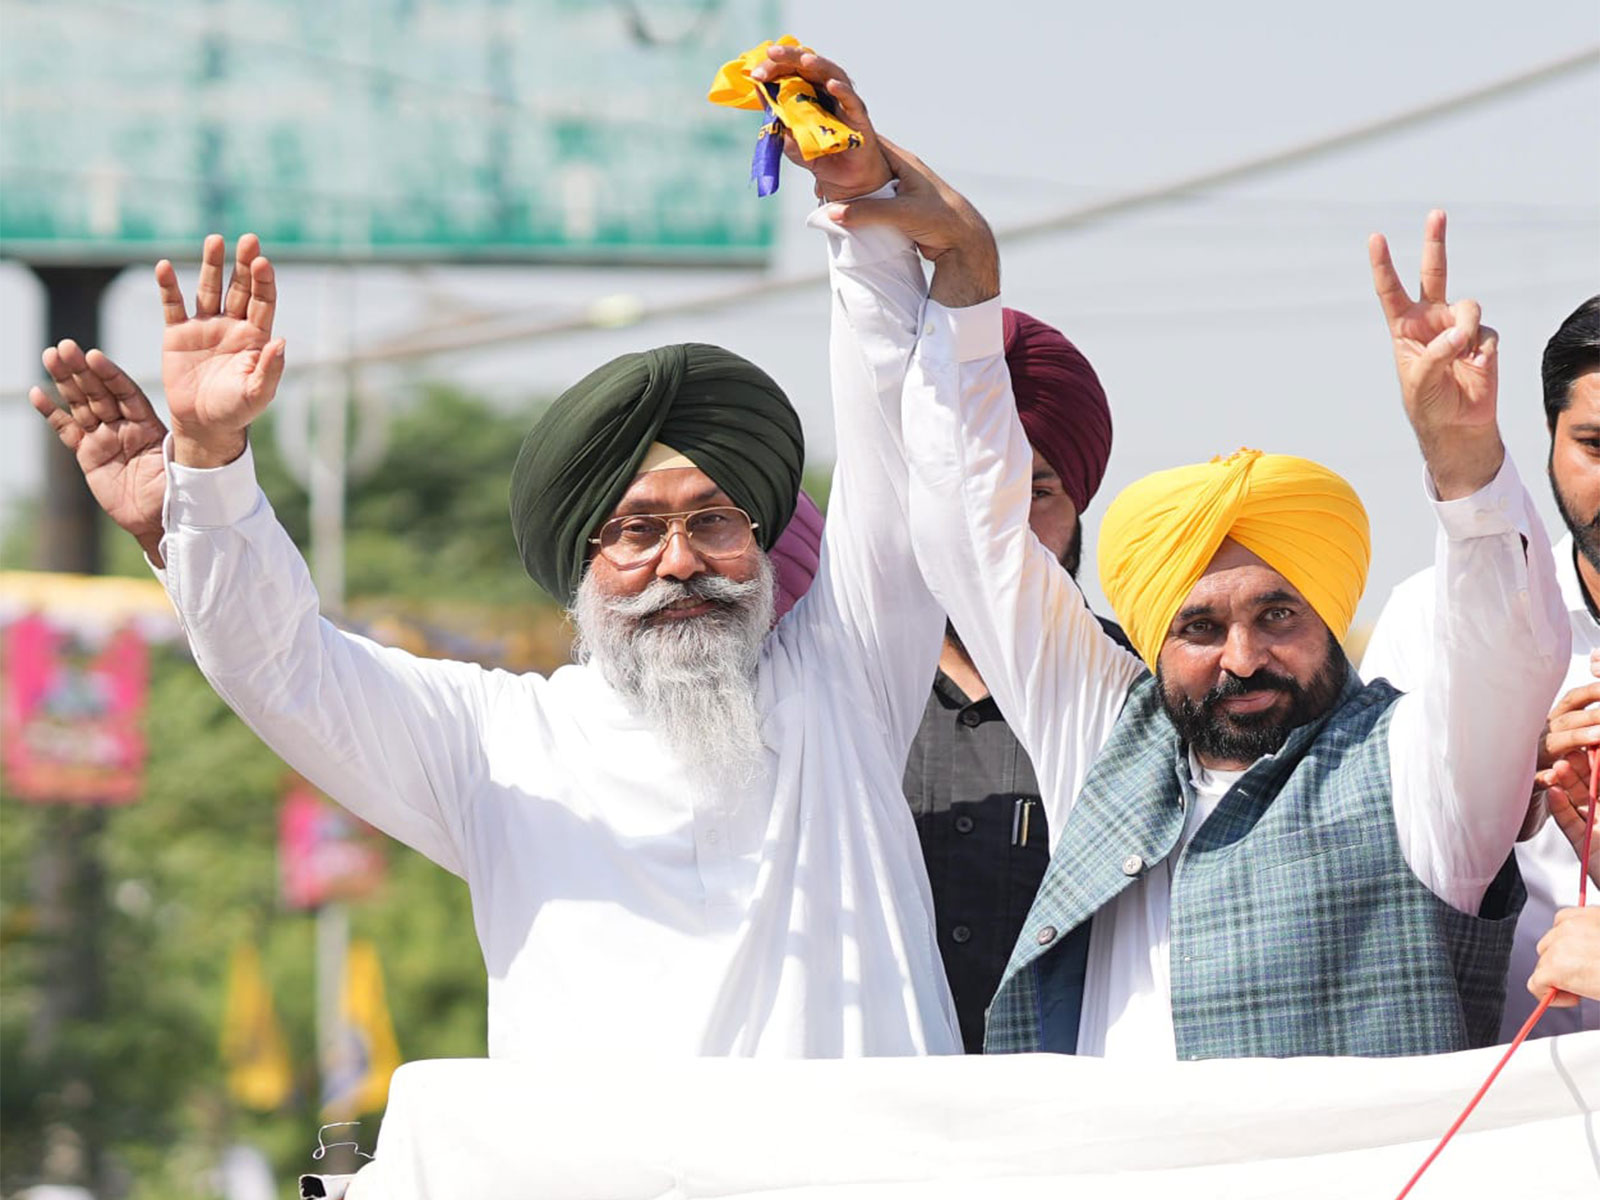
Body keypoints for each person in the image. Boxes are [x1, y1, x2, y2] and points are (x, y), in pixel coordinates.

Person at [29, 45, 992, 1061]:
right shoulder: (498, 743)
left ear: (761, 539)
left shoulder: (848, 681)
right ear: (577, 568)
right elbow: (278, 665)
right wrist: (209, 465)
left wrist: (864, 216)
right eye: (634, 530)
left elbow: (894, 441)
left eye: (715, 522)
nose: (680, 563)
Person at [829, 144, 1568, 1057]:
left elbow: (1506, 649)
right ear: (1154, 634)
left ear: (1330, 616)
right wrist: (965, 283)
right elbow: (972, 538)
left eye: (1279, 615)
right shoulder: (1109, 738)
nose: (1243, 657)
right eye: (1201, 627)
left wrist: (1463, 460)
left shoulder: (1421, 771)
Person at [1362, 295, 1600, 1039]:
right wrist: (1495, 782)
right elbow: (1368, 872)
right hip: (1496, 1115)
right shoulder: (1430, 617)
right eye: (1598, 446)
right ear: (1552, 441)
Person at [901, 309, 1130, 1053]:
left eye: (1034, 494)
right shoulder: (854, 704)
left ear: (1080, 510)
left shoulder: (1139, 705)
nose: (1002, 538)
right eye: (977, 497)